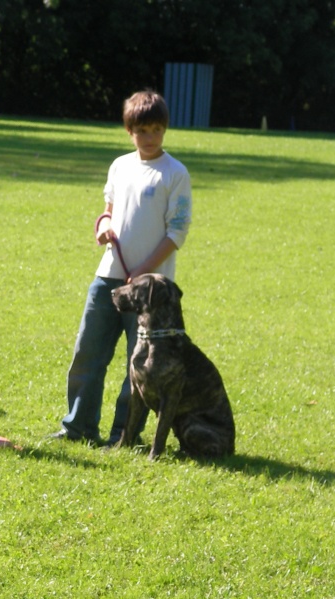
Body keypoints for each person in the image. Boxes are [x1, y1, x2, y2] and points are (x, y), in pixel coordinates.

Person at [51, 90, 193, 445]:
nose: (150, 138)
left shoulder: (175, 174)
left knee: (140, 363)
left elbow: (177, 232)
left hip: (150, 292)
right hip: (108, 276)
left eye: (157, 130)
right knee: (88, 351)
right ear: (129, 130)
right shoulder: (120, 165)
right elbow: (108, 209)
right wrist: (102, 226)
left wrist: (144, 271)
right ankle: (78, 426)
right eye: (142, 130)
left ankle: (123, 434)